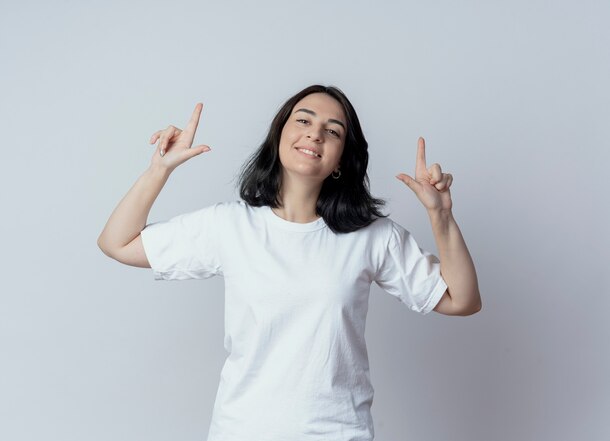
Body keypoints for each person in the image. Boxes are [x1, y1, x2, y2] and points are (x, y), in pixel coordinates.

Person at [97, 84, 481, 441]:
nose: (315, 134)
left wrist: (441, 215)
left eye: (333, 131)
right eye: (303, 120)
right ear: (279, 134)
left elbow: (461, 300)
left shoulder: (372, 235)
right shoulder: (230, 225)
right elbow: (117, 243)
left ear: (340, 162)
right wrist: (159, 169)